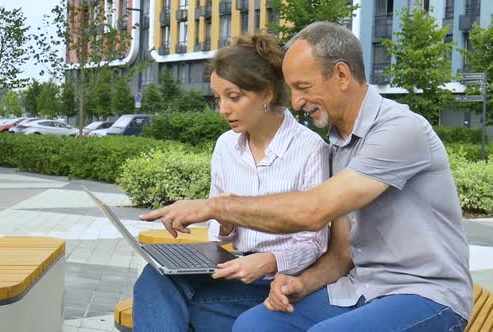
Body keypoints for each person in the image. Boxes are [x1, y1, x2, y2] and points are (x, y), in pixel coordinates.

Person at [140, 22, 473, 332]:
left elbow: (313, 212)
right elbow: (342, 255)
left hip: (426, 295)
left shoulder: (400, 129)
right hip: (360, 290)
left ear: (341, 74)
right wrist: (303, 283)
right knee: (253, 326)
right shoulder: (340, 145)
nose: (296, 102)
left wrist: (216, 207)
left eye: (303, 87)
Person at [133, 33, 329, 331]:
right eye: (218, 98)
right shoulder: (226, 145)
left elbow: (315, 242)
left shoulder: (310, 148)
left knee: (182, 309)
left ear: (266, 94)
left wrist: (269, 260)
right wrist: (225, 222)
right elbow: (219, 235)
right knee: (155, 276)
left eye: (233, 97)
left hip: (280, 284)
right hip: (233, 270)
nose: (223, 108)